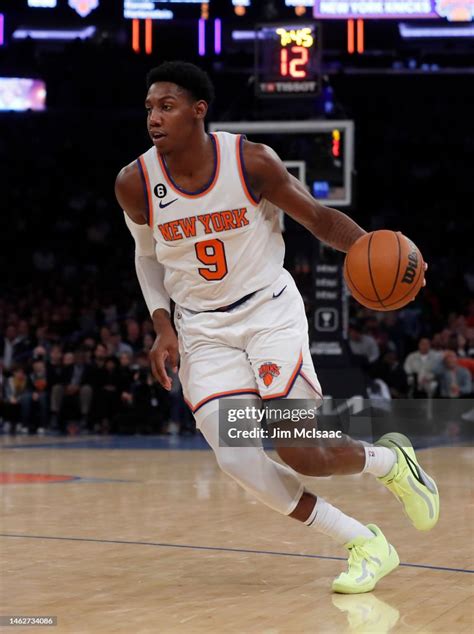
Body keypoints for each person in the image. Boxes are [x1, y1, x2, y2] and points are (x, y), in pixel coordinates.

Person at [115, 61, 439, 593]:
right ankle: (365, 542)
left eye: (166, 106)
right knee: (240, 460)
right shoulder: (135, 182)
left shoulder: (249, 162)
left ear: (199, 111)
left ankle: (389, 461)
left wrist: (377, 252)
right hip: (200, 329)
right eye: (149, 107)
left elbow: (318, 218)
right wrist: (162, 325)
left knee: (297, 448)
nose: (153, 117)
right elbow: (146, 257)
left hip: (267, 311)